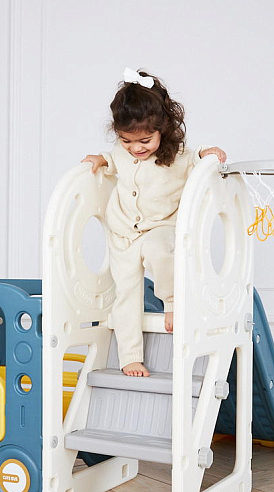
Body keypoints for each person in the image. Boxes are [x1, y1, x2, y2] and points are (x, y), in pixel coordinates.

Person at [82, 68, 226, 377]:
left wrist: (209, 152)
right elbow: (111, 160)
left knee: (161, 251)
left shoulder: (178, 156)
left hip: (161, 227)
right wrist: (100, 159)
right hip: (123, 232)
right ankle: (130, 355)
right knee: (126, 293)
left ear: (163, 128)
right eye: (126, 140)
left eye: (145, 140)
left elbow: (197, 158)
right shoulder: (120, 152)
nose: (136, 148)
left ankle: (172, 303)